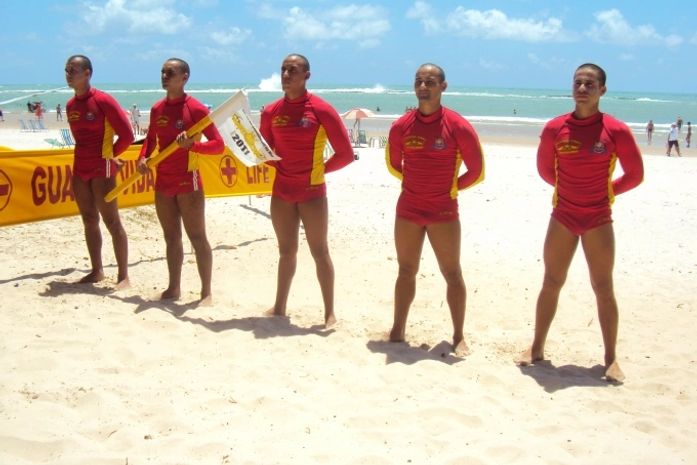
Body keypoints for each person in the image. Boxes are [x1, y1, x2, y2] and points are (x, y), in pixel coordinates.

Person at [516, 63, 644, 382]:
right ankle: (536, 347)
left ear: (602, 90)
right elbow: (546, 170)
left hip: (599, 218)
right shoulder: (554, 128)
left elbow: (636, 174)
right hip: (563, 216)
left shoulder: (615, 130)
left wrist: (608, 191)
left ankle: (611, 358)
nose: (582, 88)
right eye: (578, 82)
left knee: (603, 287)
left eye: (589, 84)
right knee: (551, 282)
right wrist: (566, 190)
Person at [385, 63, 484, 356]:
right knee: (406, 270)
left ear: (443, 86)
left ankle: (457, 335)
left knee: (452, 273)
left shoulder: (457, 125)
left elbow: (476, 171)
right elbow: (393, 164)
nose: (423, 86)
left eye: (430, 81)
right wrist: (416, 185)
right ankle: (397, 329)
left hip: (443, 211)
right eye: (419, 81)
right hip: (409, 209)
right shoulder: (401, 125)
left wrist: (449, 188)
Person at [259, 53, 354, 328]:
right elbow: (263, 151)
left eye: (293, 70)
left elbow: (345, 154)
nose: (286, 75)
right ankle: (279, 307)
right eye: (283, 70)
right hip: (282, 192)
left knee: (320, 251)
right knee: (286, 251)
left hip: (312, 193)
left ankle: (329, 312)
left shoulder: (321, 109)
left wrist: (319, 170)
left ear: (307, 76)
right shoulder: (270, 111)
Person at [137, 58, 224, 306]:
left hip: (189, 182)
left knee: (197, 236)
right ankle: (173, 287)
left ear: (184, 77)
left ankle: (206, 292)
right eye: (162, 72)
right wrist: (143, 158)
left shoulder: (195, 109)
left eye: (170, 72)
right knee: (171, 237)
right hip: (163, 182)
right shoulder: (157, 109)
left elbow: (218, 145)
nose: (164, 76)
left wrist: (193, 145)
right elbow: (149, 141)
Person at [64, 54, 134, 288]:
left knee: (112, 221)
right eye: (66, 70)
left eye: (73, 70)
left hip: (102, 169)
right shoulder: (71, 105)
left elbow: (127, 135)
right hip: (80, 168)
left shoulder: (103, 100)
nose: (68, 74)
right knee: (88, 219)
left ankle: (123, 275)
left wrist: (111, 156)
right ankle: (97, 270)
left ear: (87, 73)